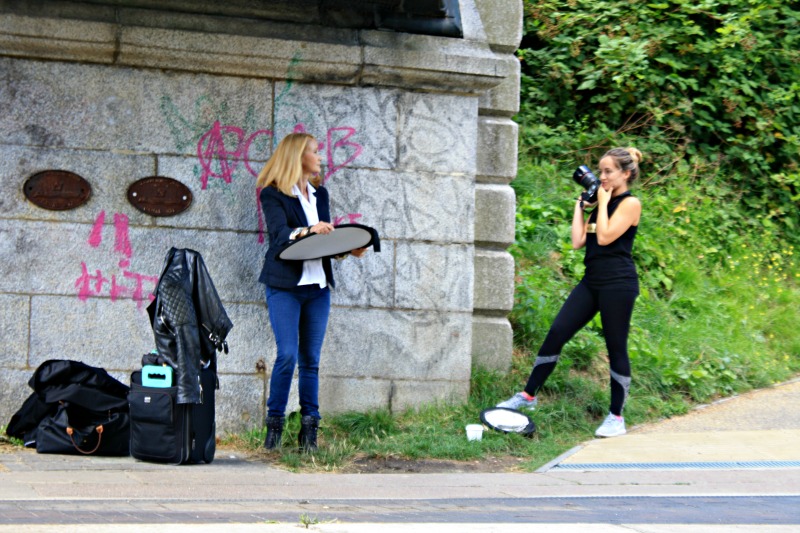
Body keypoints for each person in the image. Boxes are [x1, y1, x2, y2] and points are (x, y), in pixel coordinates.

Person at [497, 147, 643, 438]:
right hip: (592, 282)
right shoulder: (601, 200)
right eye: (600, 171)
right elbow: (578, 241)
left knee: (616, 347)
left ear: (625, 174)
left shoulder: (630, 203)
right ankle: (528, 396)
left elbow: (604, 236)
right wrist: (580, 206)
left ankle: (616, 417)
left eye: (608, 172)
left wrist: (601, 204)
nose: (601, 177)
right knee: (558, 331)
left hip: (619, 285)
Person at [256, 132, 367, 452]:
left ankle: (309, 433)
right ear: (298, 157)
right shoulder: (273, 195)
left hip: (318, 288)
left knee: (311, 361)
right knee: (288, 354)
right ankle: (274, 426)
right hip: (285, 288)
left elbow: (326, 243)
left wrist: (349, 249)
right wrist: (308, 229)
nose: (320, 158)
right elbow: (279, 236)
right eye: (315, 152)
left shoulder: (320, 195)